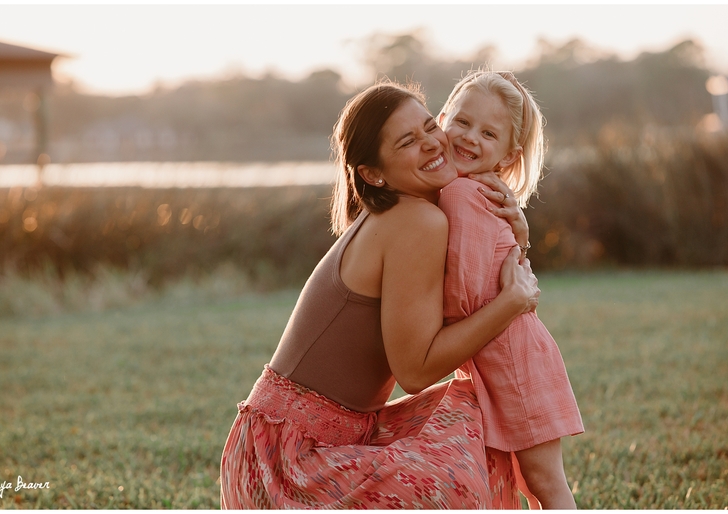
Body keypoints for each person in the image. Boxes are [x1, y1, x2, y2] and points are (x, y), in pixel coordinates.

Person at [219, 81, 540, 509]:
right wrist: (510, 305)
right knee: (453, 476)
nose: (431, 143)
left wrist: (517, 235)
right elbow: (416, 371)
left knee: (476, 412)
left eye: (430, 126)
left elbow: (475, 289)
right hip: (286, 462)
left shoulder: (413, 211)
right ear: (373, 174)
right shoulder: (417, 221)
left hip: (310, 439)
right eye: (408, 141)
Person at [437, 69, 584, 509]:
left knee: (544, 484)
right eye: (462, 122)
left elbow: (462, 295)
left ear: (508, 155)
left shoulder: (460, 194)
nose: (469, 138)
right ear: (442, 119)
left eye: (488, 133)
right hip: (504, 351)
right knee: (534, 485)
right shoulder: (463, 190)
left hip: (513, 359)